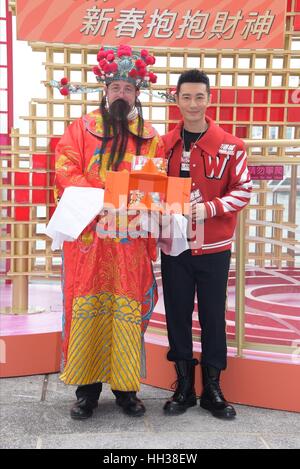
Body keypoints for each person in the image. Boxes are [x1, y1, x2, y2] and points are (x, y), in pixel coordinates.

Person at [54, 45, 164, 419]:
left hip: (129, 241)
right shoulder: (80, 130)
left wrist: (133, 200)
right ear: (105, 90)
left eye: (128, 88)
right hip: (91, 241)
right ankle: (86, 391)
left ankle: (126, 389)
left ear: (137, 93)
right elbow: (64, 170)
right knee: (86, 309)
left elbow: (156, 185)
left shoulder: (150, 138)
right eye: (115, 87)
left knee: (126, 312)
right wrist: (104, 196)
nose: (121, 94)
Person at [161, 70, 252, 419]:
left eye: (199, 97)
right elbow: (151, 186)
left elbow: (243, 190)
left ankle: (213, 389)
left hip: (214, 245)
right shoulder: (164, 144)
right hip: (175, 246)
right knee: (177, 315)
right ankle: (183, 386)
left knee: (214, 316)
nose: (193, 104)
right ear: (177, 100)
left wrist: (209, 208)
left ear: (209, 99)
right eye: (186, 97)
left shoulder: (232, 146)